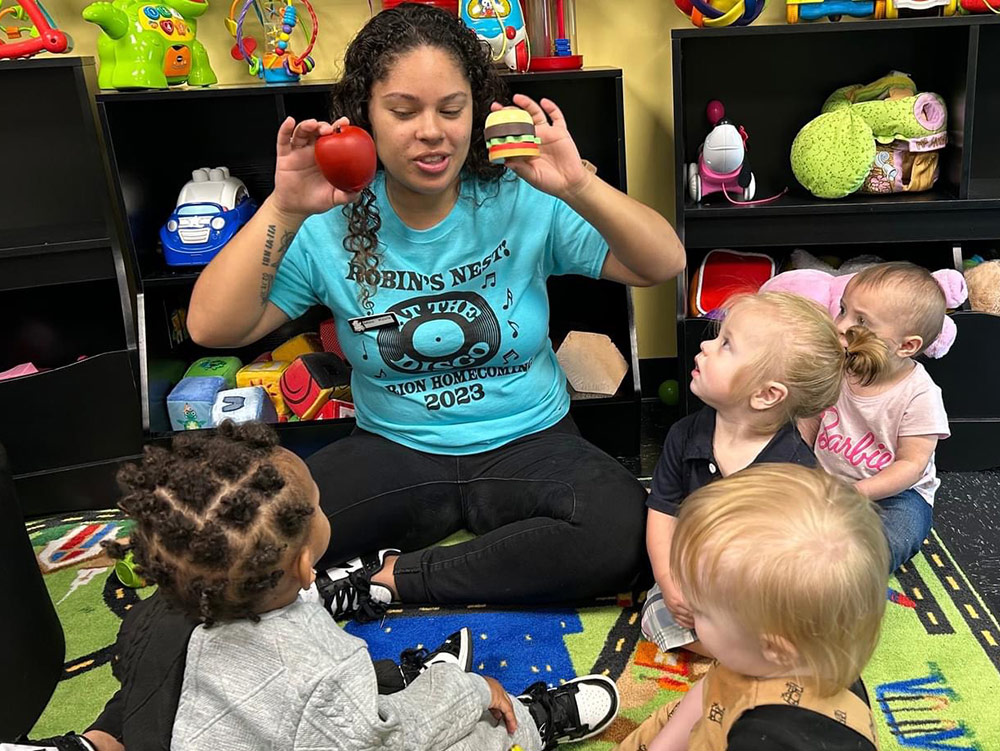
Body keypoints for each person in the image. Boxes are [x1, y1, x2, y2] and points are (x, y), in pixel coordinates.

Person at [186, 4, 685, 618]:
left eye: (452, 109)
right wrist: (284, 210)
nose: (432, 131)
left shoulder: (521, 191)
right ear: (365, 113)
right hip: (394, 449)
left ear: (476, 111)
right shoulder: (329, 218)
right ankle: (455, 570)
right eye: (403, 111)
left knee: (615, 529)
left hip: (530, 440)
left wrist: (576, 183)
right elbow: (212, 327)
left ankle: (394, 580)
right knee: (242, 539)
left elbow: (662, 262)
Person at [52, 421, 619, 751]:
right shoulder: (323, 670)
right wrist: (469, 692)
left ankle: (408, 677)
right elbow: (396, 737)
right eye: (320, 507)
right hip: (339, 724)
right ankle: (529, 725)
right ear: (305, 567)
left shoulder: (160, 619)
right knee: (461, 734)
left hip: (275, 720)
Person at [641, 291, 884, 654]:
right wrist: (669, 579)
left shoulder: (794, 469)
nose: (706, 346)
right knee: (658, 612)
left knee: (807, 610)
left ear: (767, 394)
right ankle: (746, 651)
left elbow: (796, 564)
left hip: (756, 585)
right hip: (694, 570)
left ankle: (744, 648)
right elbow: (662, 509)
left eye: (726, 345)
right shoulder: (684, 435)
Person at [617, 464, 889, 751]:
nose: (687, 606)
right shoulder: (769, 654)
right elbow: (712, 690)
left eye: (701, 611)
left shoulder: (769, 738)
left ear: (775, 648)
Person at [802, 261, 951, 573]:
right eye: (843, 310)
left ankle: (851, 574)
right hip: (828, 483)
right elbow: (809, 423)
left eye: (862, 321)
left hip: (894, 497)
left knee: (900, 530)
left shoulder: (919, 394)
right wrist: (799, 470)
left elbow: (911, 465)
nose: (841, 325)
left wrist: (858, 494)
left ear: (906, 346)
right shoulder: (838, 369)